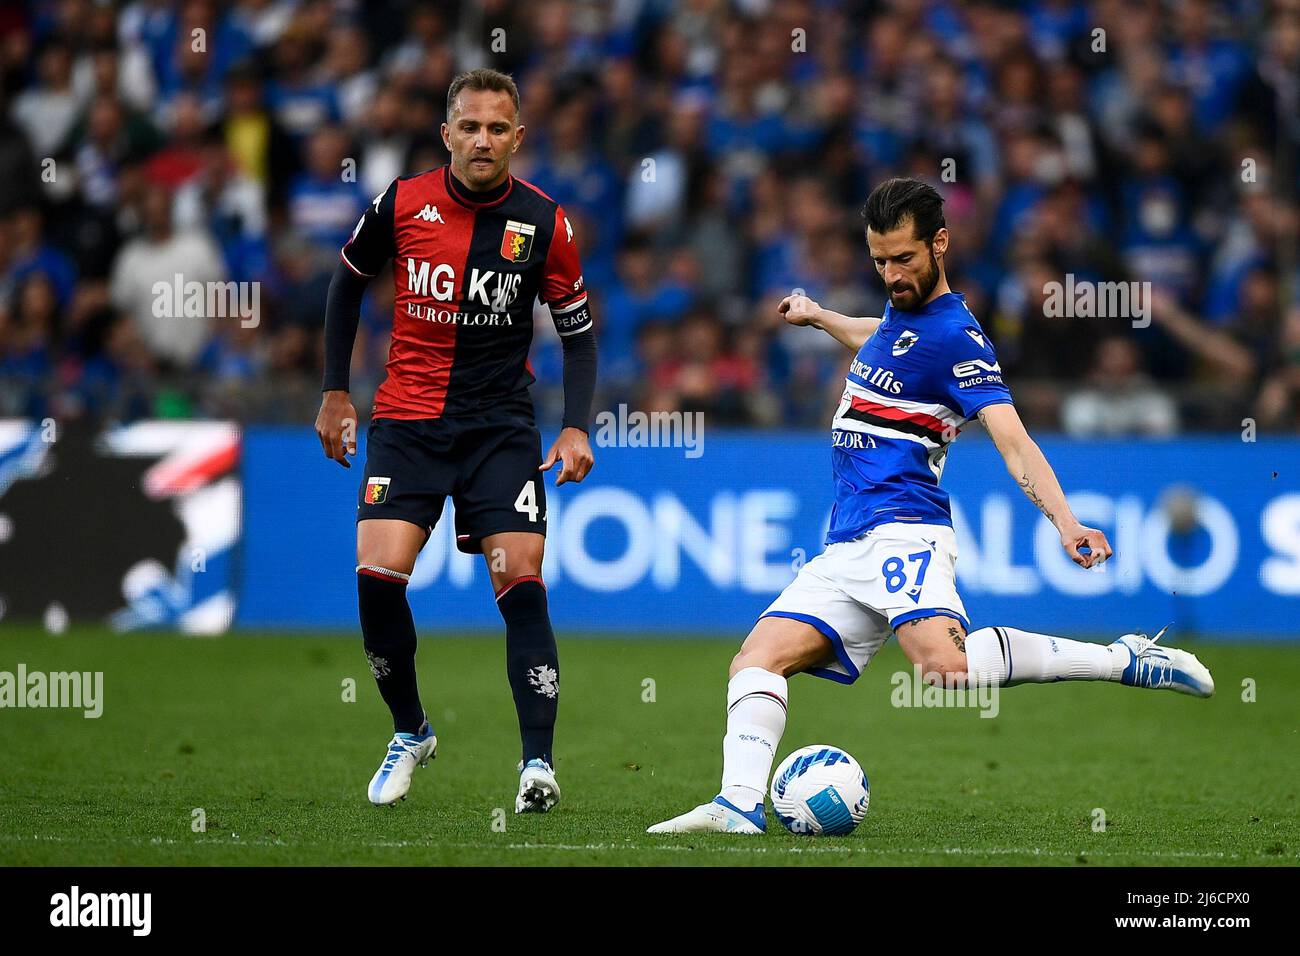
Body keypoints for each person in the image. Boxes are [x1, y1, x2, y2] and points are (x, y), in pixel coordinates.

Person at [648, 178, 1213, 835]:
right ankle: (738, 804)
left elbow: (1014, 439)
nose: (891, 274)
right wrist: (824, 317)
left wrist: (1064, 520)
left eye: (904, 259)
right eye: (879, 260)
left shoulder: (960, 339)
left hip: (905, 533)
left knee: (943, 667)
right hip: (849, 541)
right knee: (756, 660)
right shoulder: (902, 317)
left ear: (939, 243)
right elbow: (883, 337)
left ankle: (1123, 659)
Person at [315, 68, 597, 813]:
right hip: (407, 422)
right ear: (447, 134)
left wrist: (575, 425)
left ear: (517, 138)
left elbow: (579, 335)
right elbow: (346, 282)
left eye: (497, 128)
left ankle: (538, 765)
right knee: (378, 580)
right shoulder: (401, 202)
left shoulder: (544, 223)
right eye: (469, 126)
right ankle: (410, 730)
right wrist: (334, 391)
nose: (482, 140)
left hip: (499, 430)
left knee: (521, 581)